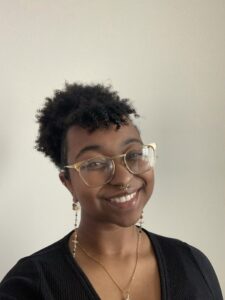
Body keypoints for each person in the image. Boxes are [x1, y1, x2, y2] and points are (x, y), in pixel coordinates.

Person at [0, 83, 223, 300]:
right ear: (68, 183)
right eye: (94, 163)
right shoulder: (29, 286)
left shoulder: (191, 264)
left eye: (133, 155)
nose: (123, 178)